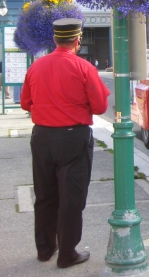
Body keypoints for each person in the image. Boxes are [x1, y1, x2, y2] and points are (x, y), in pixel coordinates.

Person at [20, 18, 110, 269]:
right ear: (77, 40)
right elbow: (101, 106)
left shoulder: (36, 66)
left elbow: (25, 102)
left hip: (42, 137)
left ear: (54, 39)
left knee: (45, 194)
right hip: (73, 137)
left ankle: (45, 249)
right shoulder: (83, 67)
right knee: (72, 197)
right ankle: (67, 253)